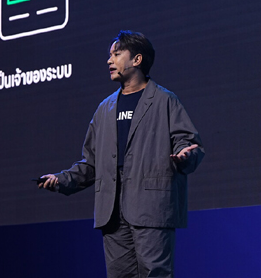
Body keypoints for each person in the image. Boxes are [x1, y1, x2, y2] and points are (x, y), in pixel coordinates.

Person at [38, 30, 204, 278]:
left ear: (137, 59)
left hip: (151, 207)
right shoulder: (104, 109)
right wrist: (62, 180)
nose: (109, 60)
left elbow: (188, 143)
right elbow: (91, 163)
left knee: (155, 274)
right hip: (112, 211)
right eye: (110, 55)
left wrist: (185, 155)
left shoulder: (165, 100)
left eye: (116, 54)